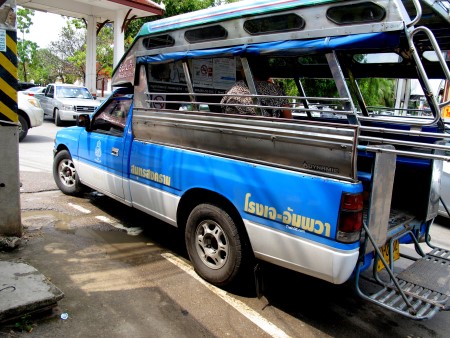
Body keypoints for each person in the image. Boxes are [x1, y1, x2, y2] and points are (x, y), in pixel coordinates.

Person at [220, 76, 292, 118]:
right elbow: (288, 117)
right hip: (268, 131)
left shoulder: (234, 88)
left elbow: (223, 108)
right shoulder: (276, 89)